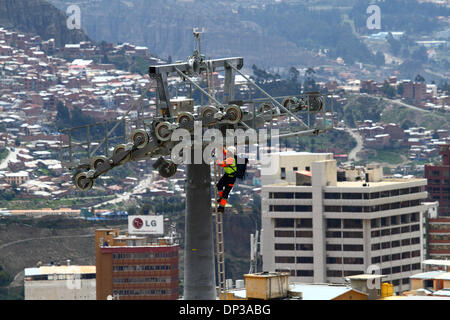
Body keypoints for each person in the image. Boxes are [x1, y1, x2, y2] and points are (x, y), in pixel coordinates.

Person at [216, 146, 237, 213]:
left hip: (231, 178)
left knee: (226, 193)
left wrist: (215, 158)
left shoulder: (231, 159)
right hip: (227, 175)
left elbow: (221, 164)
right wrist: (221, 147)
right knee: (219, 185)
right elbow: (225, 152)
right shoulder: (229, 156)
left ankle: (221, 207)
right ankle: (221, 198)